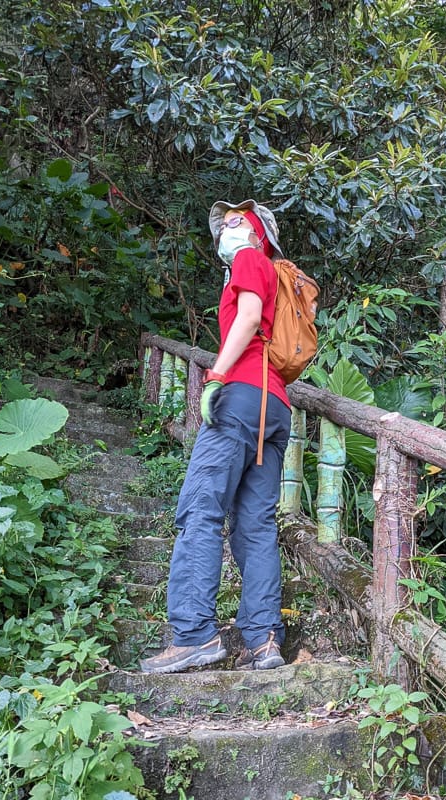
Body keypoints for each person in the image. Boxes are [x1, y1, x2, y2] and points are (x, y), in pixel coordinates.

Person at [140, 198, 291, 674]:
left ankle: (193, 635)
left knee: (200, 509)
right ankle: (264, 640)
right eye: (223, 225)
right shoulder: (274, 273)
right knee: (256, 525)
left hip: (242, 397)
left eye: (235, 221)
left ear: (256, 232)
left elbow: (247, 319)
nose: (226, 229)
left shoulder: (251, 258)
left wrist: (217, 375)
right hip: (276, 407)